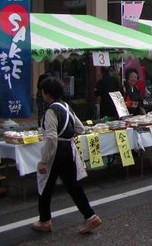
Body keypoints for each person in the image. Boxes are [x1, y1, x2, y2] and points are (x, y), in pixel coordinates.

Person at [32, 78, 102, 233]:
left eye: (43, 92)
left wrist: (44, 161)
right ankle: (90, 216)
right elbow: (79, 128)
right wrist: (66, 136)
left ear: (47, 93)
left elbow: (51, 138)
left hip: (56, 152)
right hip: (68, 150)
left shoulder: (51, 111)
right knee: (73, 186)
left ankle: (45, 221)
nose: (42, 95)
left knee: (45, 186)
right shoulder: (66, 106)